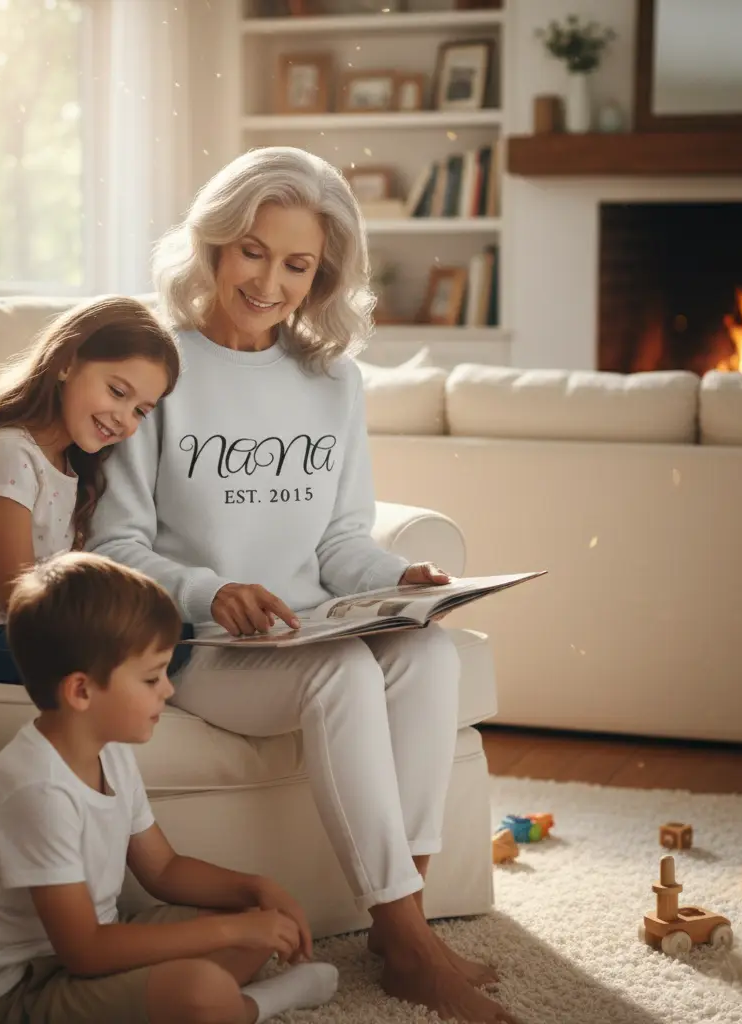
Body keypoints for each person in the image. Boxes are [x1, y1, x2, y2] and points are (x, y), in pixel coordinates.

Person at [88, 147, 519, 1023]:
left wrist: (401, 579)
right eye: (253, 250)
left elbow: (339, 539)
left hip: (310, 626)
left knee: (427, 654)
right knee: (347, 673)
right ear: (212, 243)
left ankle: (410, 923)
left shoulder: (331, 380)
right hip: (206, 646)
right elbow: (117, 542)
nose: (270, 281)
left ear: (321, 274)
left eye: (297, 264)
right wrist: (214, 592)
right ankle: (406, 943)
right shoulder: (158, 366)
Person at [0, 552, 340, 1024]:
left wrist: (256, 890)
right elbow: (85, 951)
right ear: (81, 691)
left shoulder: (110, 750)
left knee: (251, 924)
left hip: (93, 949)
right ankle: (262, 1004)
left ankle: (211, 1002)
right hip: (21, 992)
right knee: (205, 986)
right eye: (151, 678)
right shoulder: (36, 791)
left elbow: (163, 869)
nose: (167, 691)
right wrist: (233, 930)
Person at [0, 295, 194, 684]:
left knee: (178, 636)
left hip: (16, 631)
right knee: (141, 657)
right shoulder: (10, 451)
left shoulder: (67, 464)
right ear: (66, 363)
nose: (124, 420)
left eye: (141, 411)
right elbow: (17, 594)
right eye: (117, 392)